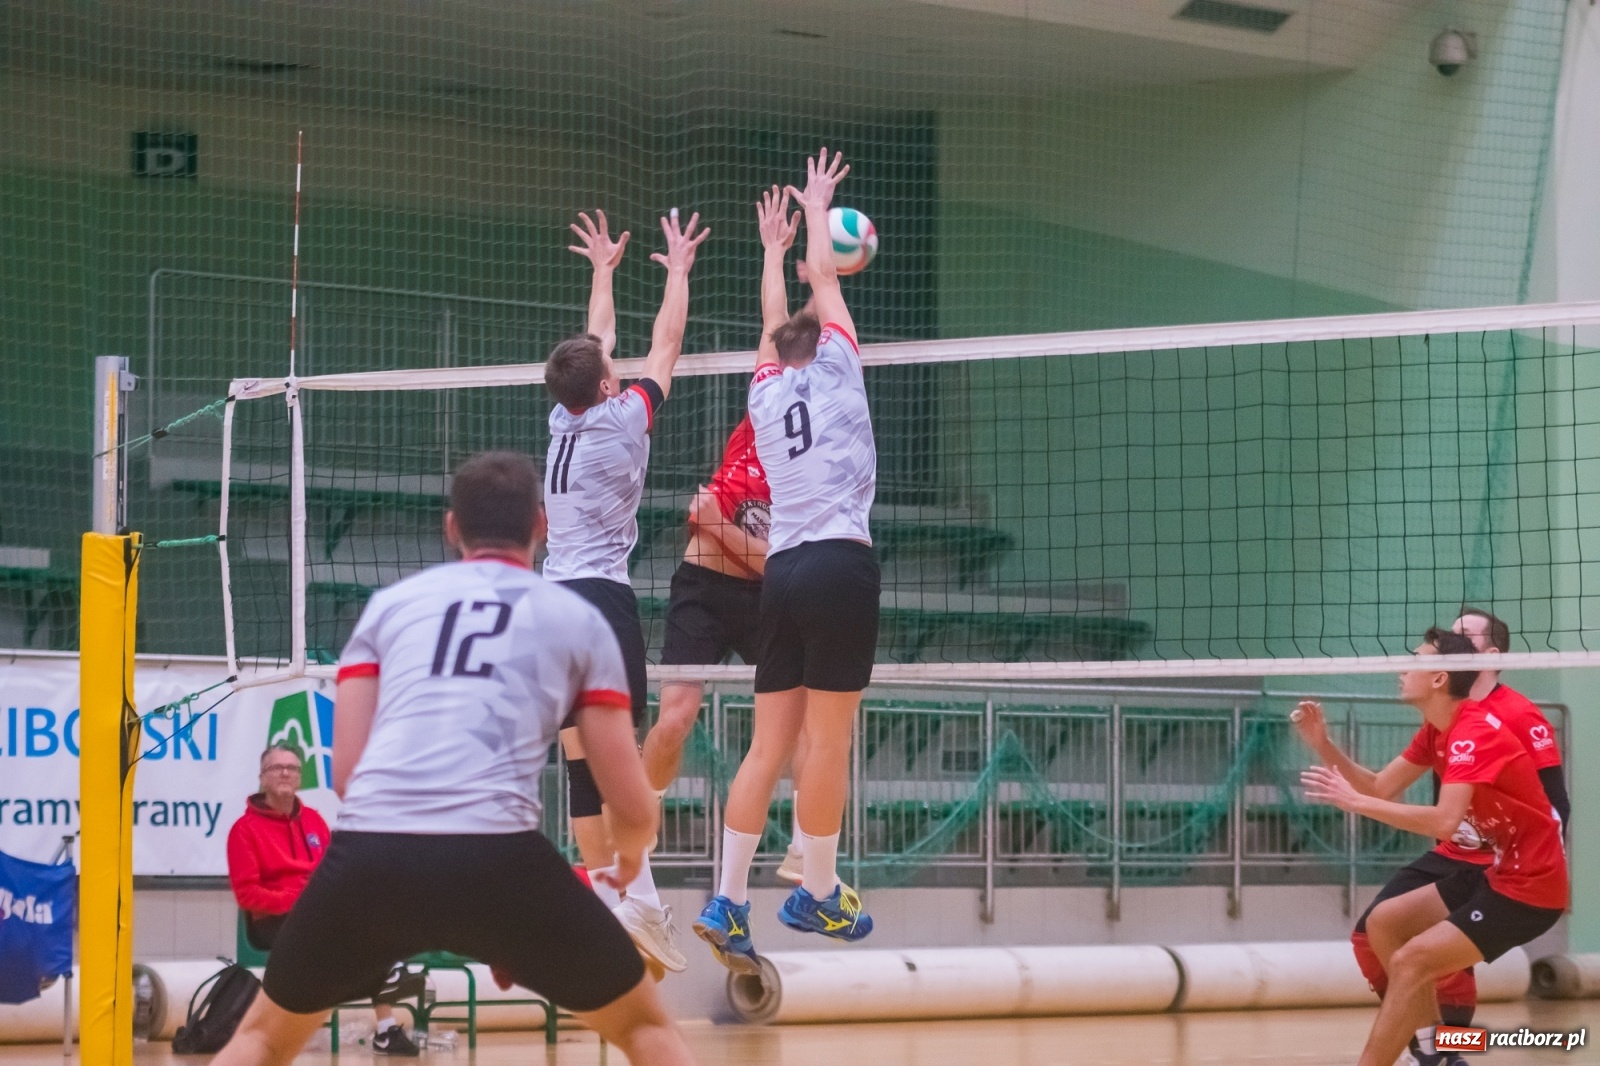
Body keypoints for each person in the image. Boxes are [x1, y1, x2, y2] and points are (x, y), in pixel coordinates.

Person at [210, 452, 695, 1066]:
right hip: (498, 857)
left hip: (373, 853)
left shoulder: (388, 608)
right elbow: (627, 802)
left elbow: (345, 775)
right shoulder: (579, 620)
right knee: (649, 1032)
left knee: (260, 1040)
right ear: (542, 526)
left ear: (451, 528)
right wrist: (625, 863)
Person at [695, 152, 880, 973]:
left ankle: (728, 901)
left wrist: (774, 248)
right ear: (831, 344)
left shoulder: (765, 393)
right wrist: (818, 210)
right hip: (838, 562)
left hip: (783, 572)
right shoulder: (842, 369)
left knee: (766, 746)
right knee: (829, 742)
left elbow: (782, 313)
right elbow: (823, 285)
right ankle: (819, 888)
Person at [1291, 607, 1569, 1064]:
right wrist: (1322, 744)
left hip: (1528, 883)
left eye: (1416, 661)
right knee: (1383, 924)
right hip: (1492, 864)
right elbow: (1381, 786)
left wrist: (1354, 804)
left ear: (1441, 677)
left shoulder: (1478, 730)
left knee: (1411, 962)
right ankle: (1436, 1050)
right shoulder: (1441, 728)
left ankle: (1441, 1045)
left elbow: (1443, 819)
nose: (1403, 668)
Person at [543, 208, 708, 976]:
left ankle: (611, 902)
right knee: (620, 768)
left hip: (550, 604)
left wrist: (604, 270)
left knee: (580, 765)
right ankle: (637, 895)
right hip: (601, 603)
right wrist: (676, 269)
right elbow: (665, 346)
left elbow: (596, 348)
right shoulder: (621, 422)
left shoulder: (564, 416)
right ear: (607, 387)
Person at [641, 189, 814, 886]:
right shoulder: (768, 404)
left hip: (764, 591)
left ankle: (807, 843)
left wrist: (715, 523)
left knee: (798, 720)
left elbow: (777, 568)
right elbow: (777, 323)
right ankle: (641, 819)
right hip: (704, 589)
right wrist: (774, 251)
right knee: (677, 712)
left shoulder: (813, 475)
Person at [225, 745, 419, 1056]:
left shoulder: (314, 822)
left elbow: (333, 875)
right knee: (349, 944)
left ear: (300, 778)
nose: (286, 773)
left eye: (293, 768)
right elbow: (248, 896)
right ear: (263, 777)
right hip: (272, 922)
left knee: (375, 923)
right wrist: (299, 902)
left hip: (316, 917)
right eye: (278, 768)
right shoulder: (244, 831)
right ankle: (383, 974)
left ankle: (387, 1028)